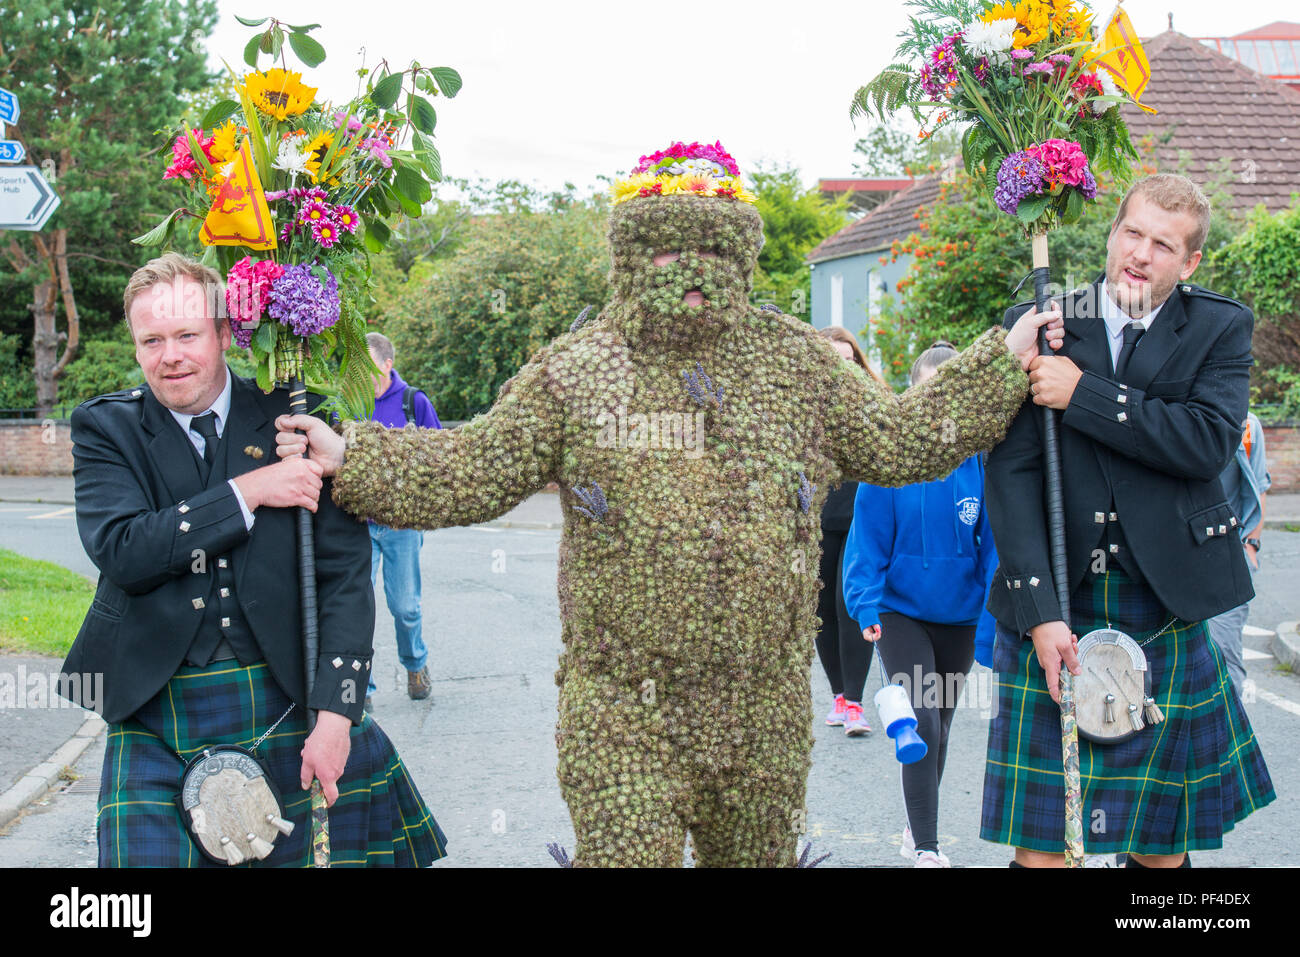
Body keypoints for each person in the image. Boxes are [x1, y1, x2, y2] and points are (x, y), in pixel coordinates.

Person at [276, 141, 1063, 867]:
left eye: (716, 246)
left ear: (743, 254)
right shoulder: (578, 370)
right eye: (668, 244)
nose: (693, 265)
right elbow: (479, 462)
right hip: (622, 705)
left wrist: (1002, 360)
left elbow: (900, 441)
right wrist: (355, 454)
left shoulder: (795, 364)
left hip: (761, 707)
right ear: (628, 253)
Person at [60, 253, 446, 867]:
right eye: (151, 340)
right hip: (159, 711)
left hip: (289, 693)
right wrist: (250, 490)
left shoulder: (298, 417)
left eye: (187, 335)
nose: (171, 356)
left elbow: (343, 578)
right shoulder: (107, 429)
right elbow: (126, 551)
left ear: (223, 333)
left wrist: (338, 714)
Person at [981, 174, 1274, 868]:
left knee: (1159, 847)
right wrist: (1040, 612)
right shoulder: (1047, 318)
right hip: (1060, 590)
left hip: (1165, 599)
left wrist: (1085, 396)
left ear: (1191, 262)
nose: (1141, 254)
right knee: (1044, 847)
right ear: (1112, 234)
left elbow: (1206, 441)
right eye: (1133, 233)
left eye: (1164, 245)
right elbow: (1011, 473)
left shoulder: (1218, 326)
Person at [842, 341, 999, 867]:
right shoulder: (889, 467)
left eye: (949, 390)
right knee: (924, 722)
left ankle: (915, 827)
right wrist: (865, 607)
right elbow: (865, 544)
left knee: (943, 725)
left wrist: (988, 624)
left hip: (959, 615)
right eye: (929, 391)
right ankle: (929, 850)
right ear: (913, 395)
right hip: (898, 610)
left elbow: (993, 551)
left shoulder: (980, 463)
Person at [815, 326, 885, 736]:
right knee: (822, 612)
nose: (842, 369)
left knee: (851, 606)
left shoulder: (872, 403)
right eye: (831, 360)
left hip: (861, 519)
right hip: (819, 521)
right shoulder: (800, 406)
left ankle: (856, 703)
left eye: (849, 360)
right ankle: (840, 695)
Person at [364, 331, 441, 705]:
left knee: (405, 607)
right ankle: (360, 688)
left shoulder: (414, 402)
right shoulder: (350, 404)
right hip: (357, 525)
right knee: (357, 606)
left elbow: (440, 457)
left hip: (401, 525)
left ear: (387, 364)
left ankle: (415, 663)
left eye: (370, 368)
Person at [1206, 411, 1270, 697]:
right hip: (1178, 558)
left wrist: (1251, 545)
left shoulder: (1248, 427)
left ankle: (1230, 733)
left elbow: (1259, 486)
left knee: (1225, 654)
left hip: (1229, 557)